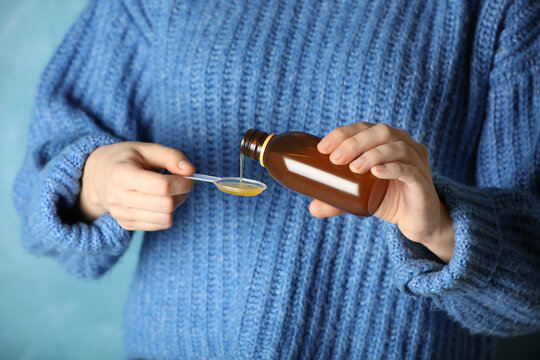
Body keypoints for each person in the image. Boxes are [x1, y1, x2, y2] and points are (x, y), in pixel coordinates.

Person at [13, 0, 540, 359]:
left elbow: (530, 290)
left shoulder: (495, 11)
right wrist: (95, 183)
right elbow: (39, 198)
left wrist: (440, 229)